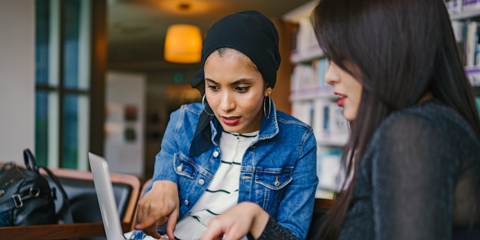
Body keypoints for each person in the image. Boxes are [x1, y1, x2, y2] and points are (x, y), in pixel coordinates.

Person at [200, 0, 480, 239]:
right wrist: (257, 219)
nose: (329, 75)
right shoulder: (431, 126)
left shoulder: (413, 133)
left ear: (384, 49)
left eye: (339, 57)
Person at [129, 10, 318, 240]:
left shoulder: (299, 141)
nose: (225, 106)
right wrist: (162, 183)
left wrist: (256, 218)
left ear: (267, 84)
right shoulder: (183, 120)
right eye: (214, 87)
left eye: (241, 88)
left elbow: (291, 237)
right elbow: (161, 181)